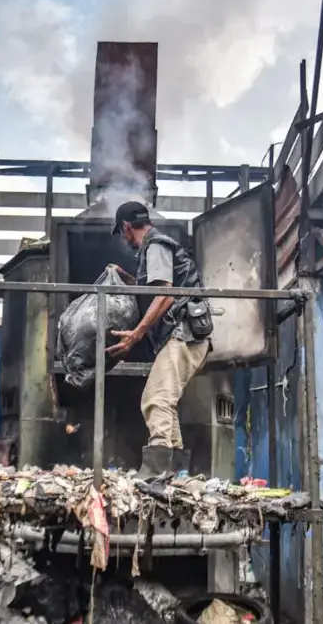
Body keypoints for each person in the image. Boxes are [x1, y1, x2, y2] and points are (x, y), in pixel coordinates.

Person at [107, 200, 213, 477]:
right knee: (166, 402)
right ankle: (176, 475)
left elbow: (164, 294)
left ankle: (155, 474)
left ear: (127, 227)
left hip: (184, 334)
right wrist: (126, 278)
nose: (124, 238)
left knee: (155, 400)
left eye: (122, 232)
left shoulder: (155, 246)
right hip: (186, 335)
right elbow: (158, 287)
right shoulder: (157, 248)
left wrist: (136, 334)